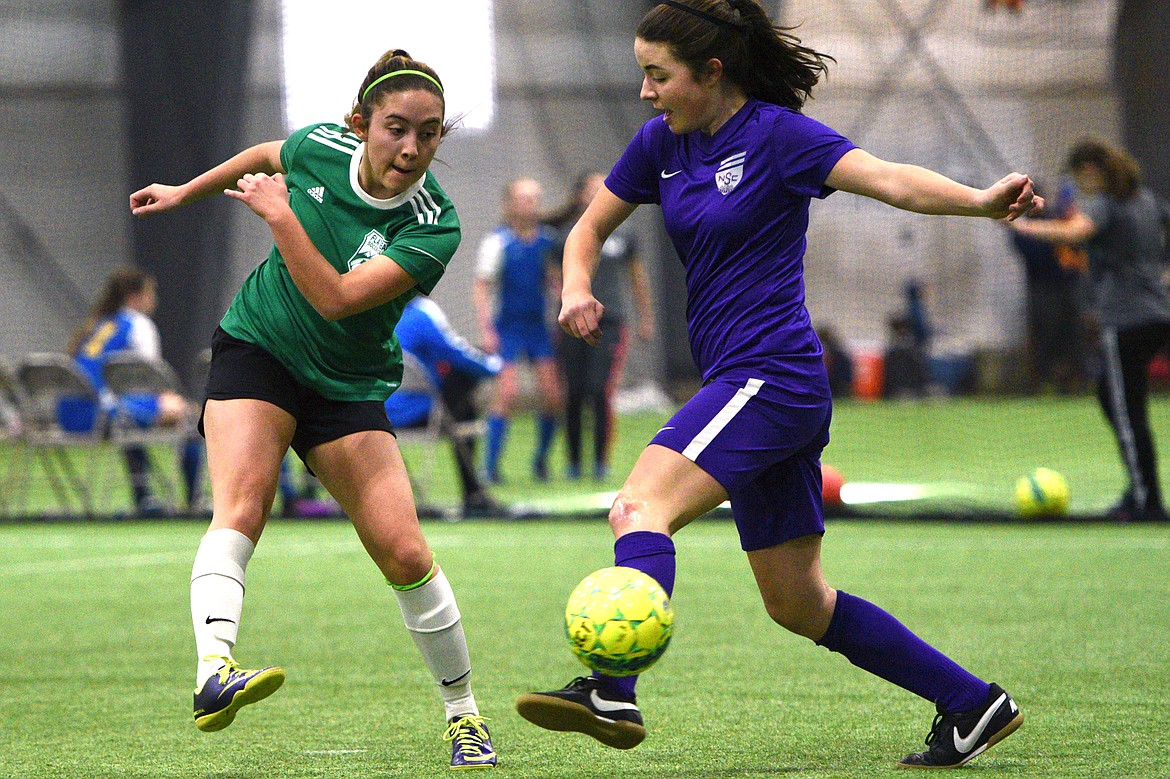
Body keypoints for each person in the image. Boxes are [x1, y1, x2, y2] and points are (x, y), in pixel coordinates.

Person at [515, 1, 1039, 768]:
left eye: (658, 75)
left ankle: (610, 688)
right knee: (798, 601)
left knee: (638, 505)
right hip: (754, 383)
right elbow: (588, 228)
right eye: (641, 74)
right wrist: (575, 286)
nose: (645, 92)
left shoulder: (778, 137)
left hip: (773, 373)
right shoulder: (661, 143)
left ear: (712, 72)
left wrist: (980, 200)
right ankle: (971, 701)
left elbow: (887, 179)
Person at [129, 49, 496, 769]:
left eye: (428, 133)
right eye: (396, 128)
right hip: (258, 346)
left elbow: (336, 299)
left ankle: (464, 715)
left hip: (347, 382)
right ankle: (214, 670)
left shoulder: (435, 226)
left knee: (406, 551)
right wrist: (185, 191)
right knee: (242, 505)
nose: (412, 147)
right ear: (361, 125)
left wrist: (278, 214)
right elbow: (267, 153)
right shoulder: (319, 145)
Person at [1010, 138, 1170, 523]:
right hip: (1156, 315)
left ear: (1091, 170)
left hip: (1126, 319)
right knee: (1113, 397)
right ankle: (1140, 489)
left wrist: (1025, 226)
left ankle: (1145, 499)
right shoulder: (1145, 199)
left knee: (1124, 409)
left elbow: (1076, 232)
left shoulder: (1106, 200)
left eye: (1080, 177)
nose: (1080, 185)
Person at [61, 266, 200, 515]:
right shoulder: (138, 324)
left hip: (71, 416)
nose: (154, 298)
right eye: (151, 292)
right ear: (136, 296)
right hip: (102, 413)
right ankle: (194, 500)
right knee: (189, 417)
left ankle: (145, 496)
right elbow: (153, 380)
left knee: (132, 417)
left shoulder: (96, 325)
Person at [547, 172, 657, 481]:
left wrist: (645, 317)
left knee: (599, 389)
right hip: (571, 322)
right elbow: (555, 281)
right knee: (574, 392)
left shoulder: (624, 233)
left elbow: (637, 278)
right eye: (592, 189)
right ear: (580, 195)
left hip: (610, 320)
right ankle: (573, 463)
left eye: (603, 188)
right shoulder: (566, 236)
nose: (598, 194)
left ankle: (600, 463)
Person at [473, 177, 562, 483]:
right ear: (509, 203)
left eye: (534, 198)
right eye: (523, 198)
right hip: (508, 327)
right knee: (506, 395)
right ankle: (490, 467)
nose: (529, 204)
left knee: (552, 396)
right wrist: (486, 329)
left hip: (538, 327)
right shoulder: (497, 242)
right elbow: (482, 287)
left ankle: (541, 461)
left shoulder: (548, 240)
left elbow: (555, 280)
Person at [386, 296, 505, 517]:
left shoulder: (375, 314)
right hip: (418, 412)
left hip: (377, 411)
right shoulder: (422, 312)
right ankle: (473, 494)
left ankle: (400, 497)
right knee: (462, 393)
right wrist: (495, 366)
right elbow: (456, 353)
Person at [1006, 183, 1089, 394]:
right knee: (1045, 333)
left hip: (1068, 285)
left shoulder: (1056, 217)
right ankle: (1041, 380)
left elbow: (1076, 245)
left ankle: (1078, 379)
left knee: (1073, 332)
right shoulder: (1025, 225)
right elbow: (1031, 254)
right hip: (1042, 287)